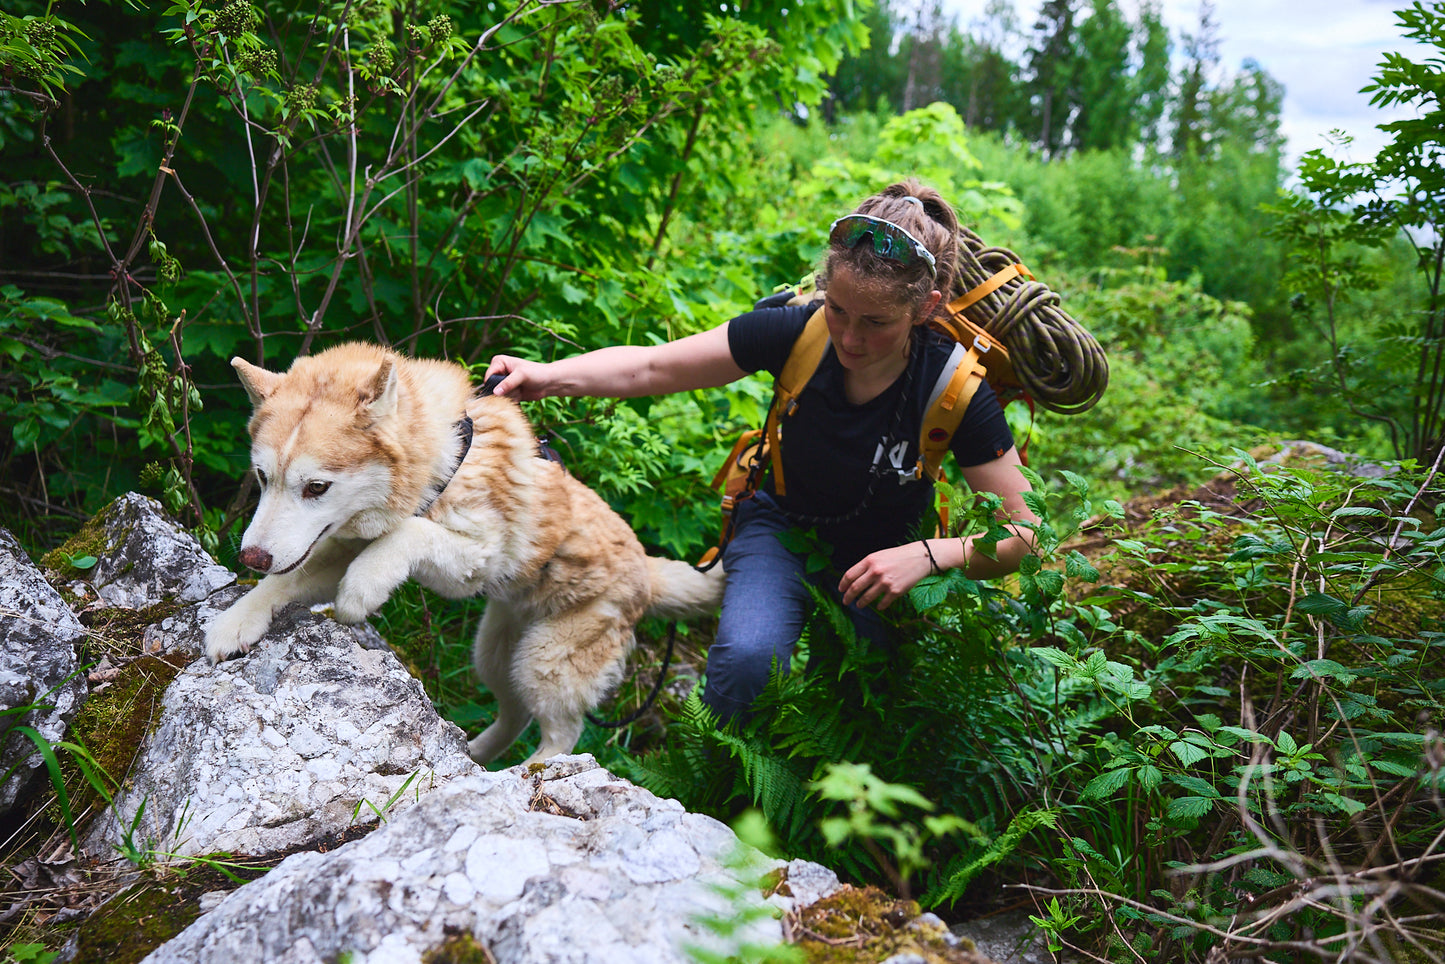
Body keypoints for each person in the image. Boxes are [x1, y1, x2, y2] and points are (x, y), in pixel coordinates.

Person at [485, 179, 1038, 721]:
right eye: (839, 309)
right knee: (746, 662)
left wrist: (925, 556)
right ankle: (720, 791)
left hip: (885, 559)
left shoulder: (955, 389)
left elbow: (1026, 536)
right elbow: (653, 365)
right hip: (781, 527)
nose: (849, 337)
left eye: (875, 323)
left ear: (925, 307)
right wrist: (546, 375)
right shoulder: (799, 331)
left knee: (863, 703)